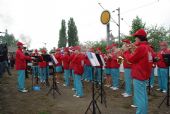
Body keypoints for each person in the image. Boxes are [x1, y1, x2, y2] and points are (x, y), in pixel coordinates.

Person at [123, 29, 153, 114]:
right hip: (143, 75)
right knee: (143, 96)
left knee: (140, 97)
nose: (135, 40)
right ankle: (144, 111)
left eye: (135, 38)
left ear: (139, 38)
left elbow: (130, 59)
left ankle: (141, 112)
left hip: (139, 75)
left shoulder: (141, 48)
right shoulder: (148, 48)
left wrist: (126, 51)